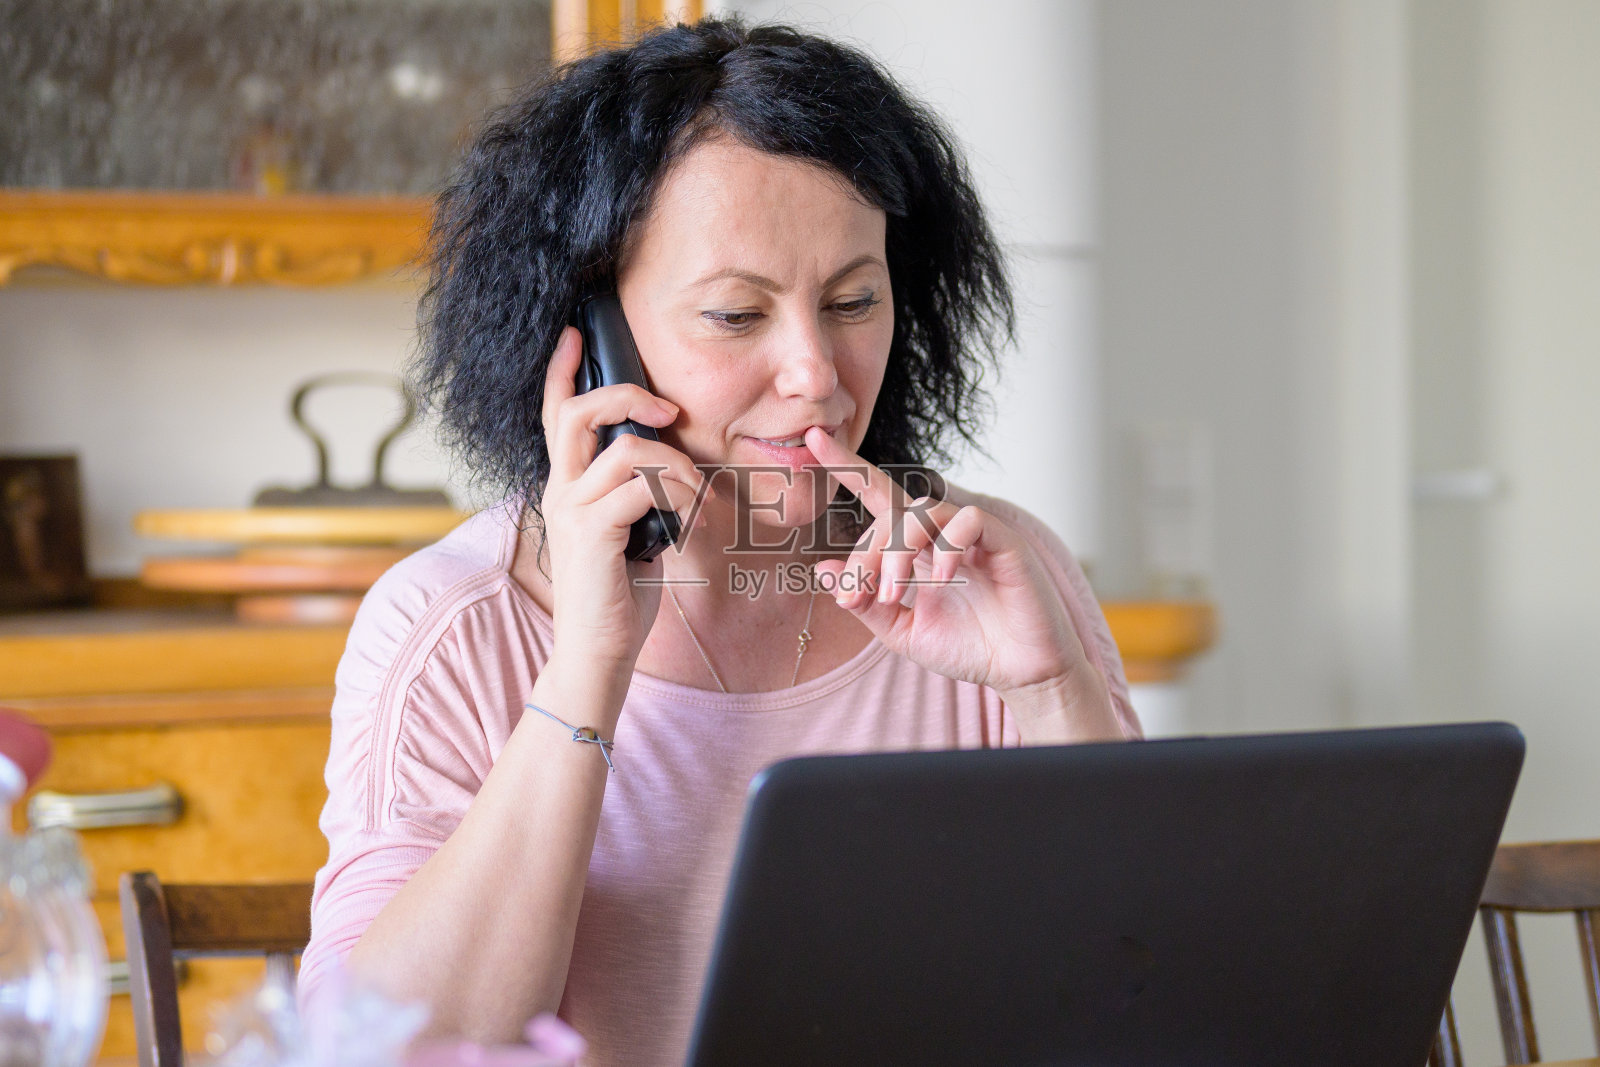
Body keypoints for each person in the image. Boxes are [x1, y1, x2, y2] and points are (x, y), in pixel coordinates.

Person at [299, 17, 1141, 1067]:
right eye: (737, 315)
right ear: (592, 337)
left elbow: (1158, 1001)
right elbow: (374, 1054)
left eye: (853, 300)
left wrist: (1053, 690)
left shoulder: (989, 571)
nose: (818, 375)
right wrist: (586, 669)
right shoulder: (451, 626)